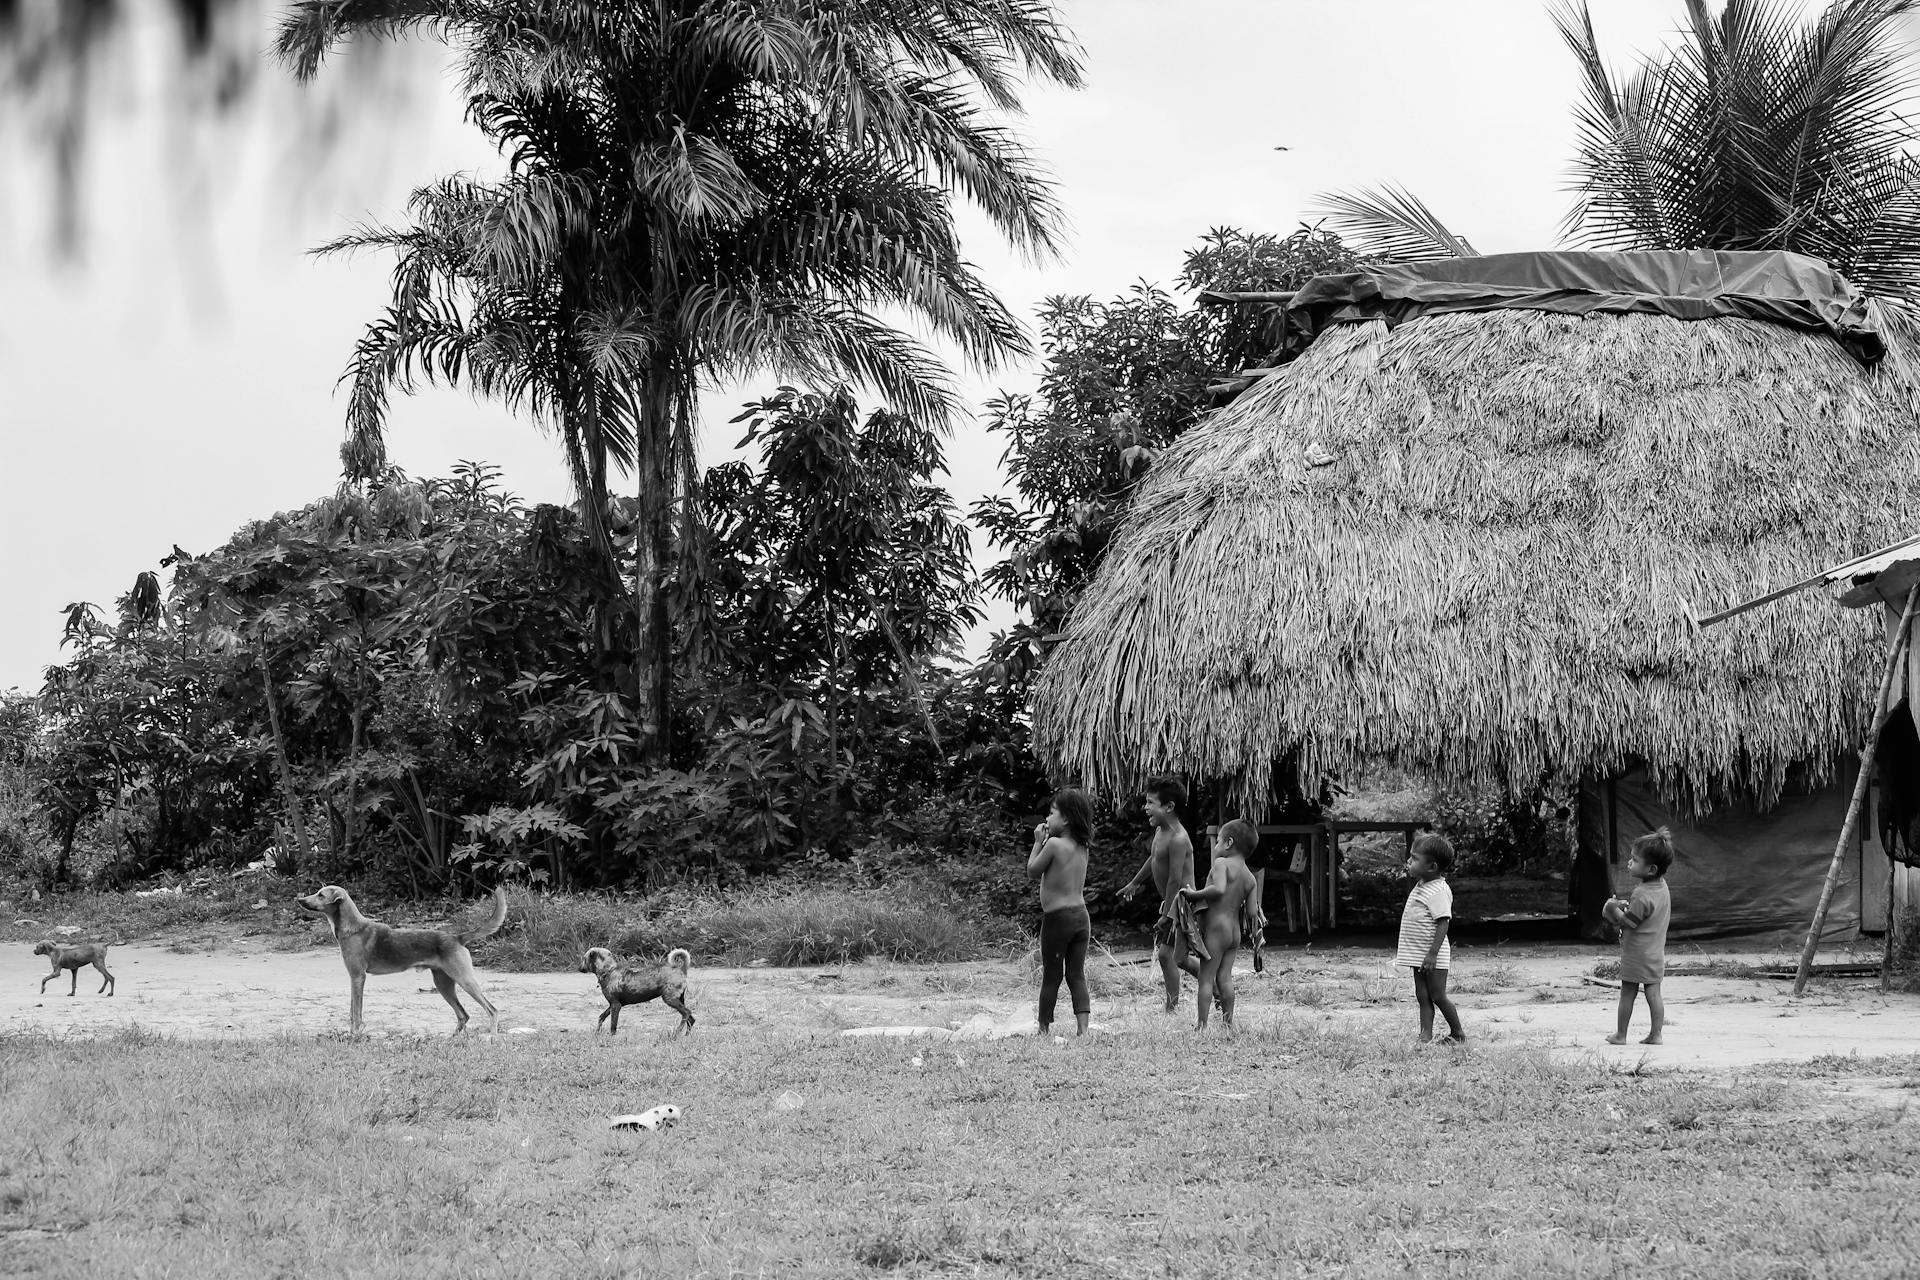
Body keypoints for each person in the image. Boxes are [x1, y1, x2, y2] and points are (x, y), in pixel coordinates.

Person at [1120, 776, 1202, 1010]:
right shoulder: (1161, 830)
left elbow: (1175, 880)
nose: (1146, 808)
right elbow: (1154, 857)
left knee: (1169, 956)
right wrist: (1135, 882)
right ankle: (1211, 989)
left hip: (1182, 903)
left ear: (1169, 807)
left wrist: (1167, 915)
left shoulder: (1178, 837)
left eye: (1150, 803)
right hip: (1172, 903)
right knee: (1175, 957)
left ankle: (1174, 1005)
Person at [1178, 818, 1260, 1032]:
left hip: (1217, 930)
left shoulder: (1221, 864)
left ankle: (1202, 1026)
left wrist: (1193, 895)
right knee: (1225, 977)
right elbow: (1252, 912)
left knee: (1206, 978)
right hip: (1234, 932)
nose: (1215, 847)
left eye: (1218, 841)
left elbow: (1219, 889)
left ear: (1229, 843)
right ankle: (1228, 1024)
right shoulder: (1250, 878)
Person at [1028, 788, 1095, 1036]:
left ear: (1065, 819)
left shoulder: (1054, 845)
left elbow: (1033, 871)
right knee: (1076, 974)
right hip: (1081, 917)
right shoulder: (1082, 846)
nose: (1047, 818)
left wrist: (1037, 843)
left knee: (1052, 975)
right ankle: (1083, 1029)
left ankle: (1044, 1027)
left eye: (1051, 812)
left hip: (1058, 920)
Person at [1603, 827, 1674, 1045]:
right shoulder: (1661, 887)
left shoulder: (1641, 894)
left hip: (1636, 954)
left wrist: (1612, 908)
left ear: (1651, 869)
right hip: (1654, 952)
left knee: (1627, 993)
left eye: (1634, 860)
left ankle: (1621, 1035)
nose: (1629, 863)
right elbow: (1645, 915)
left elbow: (1628, 922)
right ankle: (1656, 1034)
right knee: (1654, 994)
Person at [1396, 832, 1465, 1045]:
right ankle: (1425, 1035)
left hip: (1432, 955)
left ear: (1432, 867)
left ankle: (1458, 1033)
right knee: (1422, 996)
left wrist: (1432, 954)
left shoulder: (1438, 890)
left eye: (1414, 858)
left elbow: (1443, 922)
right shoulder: (1423, 884)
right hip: (1420, 954)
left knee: (1438, 996)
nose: (1409, 861)